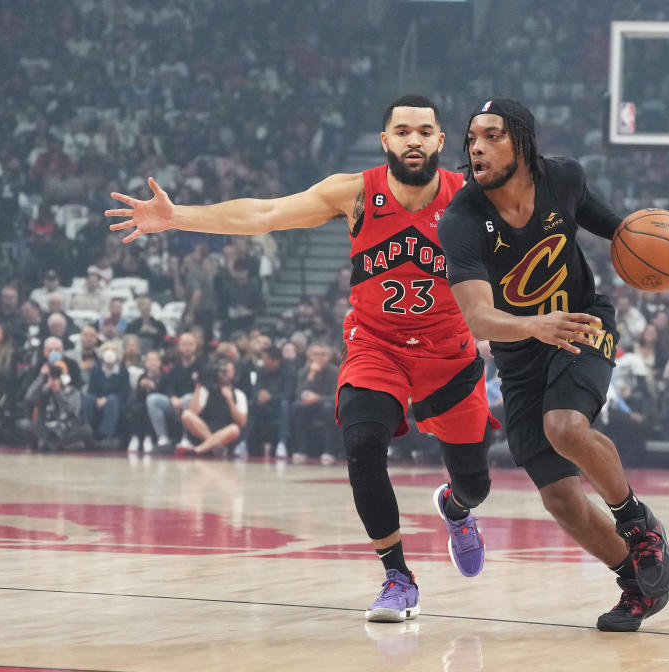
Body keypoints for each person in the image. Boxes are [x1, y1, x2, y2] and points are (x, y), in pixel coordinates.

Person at [106, 95, 499, 623]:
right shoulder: (355, 192)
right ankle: (398, 577)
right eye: (402, 131)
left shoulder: (470, 200)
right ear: (385, 141)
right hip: (375, 344)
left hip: (448, 352)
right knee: (361, 443)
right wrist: (178, 217)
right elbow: (264, 214)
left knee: (476, 482)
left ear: (441, 141)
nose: (413, 140)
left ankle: (456, 507)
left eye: (424, 132)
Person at [437, 99, 669, 632]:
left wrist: (658, 249)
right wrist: (534, 326)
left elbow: (620, 231)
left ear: (521, 141)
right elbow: (478, 317)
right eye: (472, 137)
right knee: (562, 498)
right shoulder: (461, 220)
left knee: (565, 427)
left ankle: (640, 526)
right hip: (521, 351)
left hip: (582, 323)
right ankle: (635, 583)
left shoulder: (563, 179)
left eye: (491, 136)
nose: (476, 146)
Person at [181, 358, 248, 456]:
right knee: (186, 415)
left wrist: (230, 400)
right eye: (222, 371)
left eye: (228, 371)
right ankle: (213, 446)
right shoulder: (206, 390)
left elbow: (242, 422)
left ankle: (198, 450)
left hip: (225, 436)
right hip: (204, 431)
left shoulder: (239, 394)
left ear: (234, 373)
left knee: (234, 429)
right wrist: (198, 387)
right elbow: (193, 412)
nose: (224, 374)